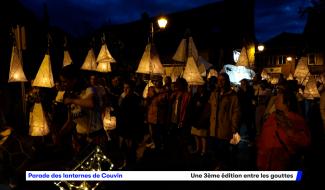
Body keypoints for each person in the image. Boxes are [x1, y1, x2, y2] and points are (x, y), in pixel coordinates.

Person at [257, 86, 311, 170]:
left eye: (278, 99)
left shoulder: (297, 120)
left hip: (284, 166)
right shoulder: (271, 117)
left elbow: (305, 142)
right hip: (267, 166)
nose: (275, 101)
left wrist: (289, 130)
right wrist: (260, 161)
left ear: (287, 103)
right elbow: (263, 140)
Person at [58, 64, 107, 156]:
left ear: (74, 80)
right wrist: (59, 134)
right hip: (80, 138)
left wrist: (72, 100)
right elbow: (71, 120)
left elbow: (90, 103)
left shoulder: (89, 90)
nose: (63, 84)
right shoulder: (69, 95)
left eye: (65, 81)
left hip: (95, 137)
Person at [208, 72, 241, 169]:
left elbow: (236, 112)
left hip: (225, 129)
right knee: (215, 151)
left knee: (224, 152)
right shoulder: (214, 94)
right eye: (219, 80)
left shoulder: (232, 96)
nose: (220, 82)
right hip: (213, 129)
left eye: (223, 80)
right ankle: (219, 166)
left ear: (227, 81)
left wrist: (234, 127)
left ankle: (223, 169)